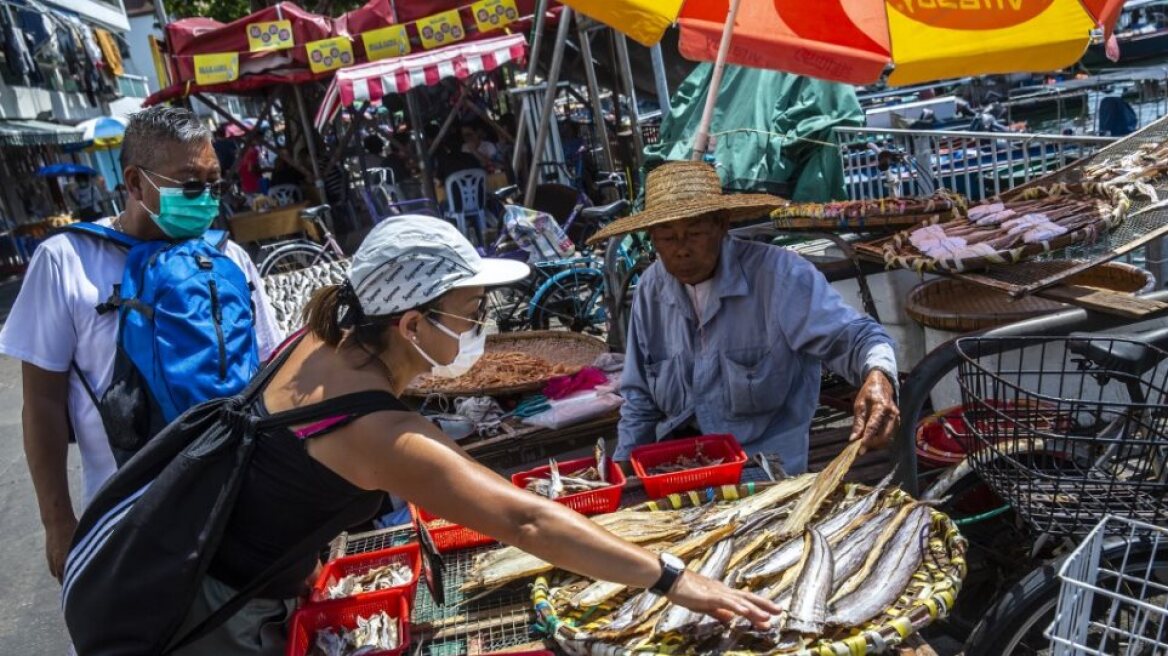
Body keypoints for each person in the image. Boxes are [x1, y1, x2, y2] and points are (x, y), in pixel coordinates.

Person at [167, 215, 779, 654]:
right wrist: (676, 579)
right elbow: (527, 523)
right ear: (410, 324)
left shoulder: (322, 344)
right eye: (471, 312)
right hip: (217, 615)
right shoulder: (380, 431)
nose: (482, 324)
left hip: (216, 565)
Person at [0, 106, 282, 583]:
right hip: (127, 518)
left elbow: (271, 374)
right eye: (190, 184)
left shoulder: (228, 257)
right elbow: (42, 403)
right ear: (134, 184)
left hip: (238, 498)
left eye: (215, 185)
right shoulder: (65, 261)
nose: (206, 199)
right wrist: (58, 523)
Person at [587, 161, 900, 475]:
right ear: (652, 239)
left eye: (694, 233)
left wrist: (878, 376)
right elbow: (639, 396)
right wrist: (623, 469)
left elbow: (856, 337)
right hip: (678, 467)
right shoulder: (651, 289)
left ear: (722, 225)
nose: (681, 249)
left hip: (762, 469)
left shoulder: (780, 275)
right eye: (667, 238)